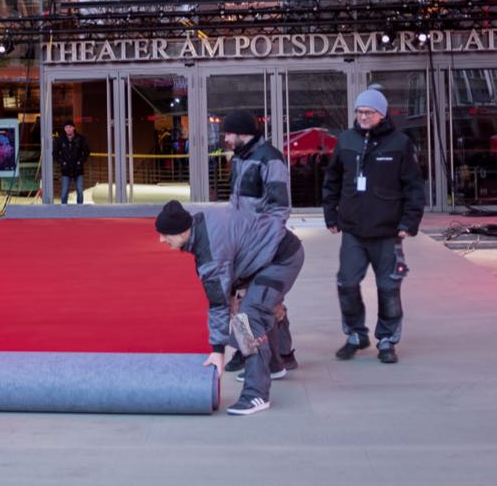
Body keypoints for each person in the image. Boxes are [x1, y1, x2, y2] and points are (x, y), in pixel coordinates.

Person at [155, 200, 304, 415]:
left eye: (165, 234)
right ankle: (273, 366)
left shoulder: (209, 252)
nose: (160, 239)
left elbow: (218, 303)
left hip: (280, 258)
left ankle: (256, 394)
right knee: (246, 309)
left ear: (182, 233)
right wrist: (233, 292)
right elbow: (233, 250)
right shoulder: (198, 222)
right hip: (262, 257)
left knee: (249, 317)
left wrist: (217, 350)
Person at [323, 88, 425, 364]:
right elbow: (332, 180)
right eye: (359, 112)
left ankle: (388, 340)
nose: (363, 116)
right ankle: (356, 333)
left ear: (382, 114)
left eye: (369, 112)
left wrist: (409, 222)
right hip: (353, 231)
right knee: (346, 283)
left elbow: (414, 187)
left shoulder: (399, 143)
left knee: (388, 288)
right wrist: (330, 215)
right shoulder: (345, 141)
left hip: (388, 231)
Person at [220, 110, 297, 375]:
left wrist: (266, 245)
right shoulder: (240, 159)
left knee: (262, 303)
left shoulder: (270, 159)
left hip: (263, 244)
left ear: (243, 133)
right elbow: (236, 202)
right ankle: (249, 350)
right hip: (243, 241)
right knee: (245, 302)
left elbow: (279, 208)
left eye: (228, 133)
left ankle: (281, 354)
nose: (226, 139)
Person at [53, 119, 90, 204]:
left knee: (80, 192)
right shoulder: (60, 140)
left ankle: (79, 210)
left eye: (70, 127)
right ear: (64, 129)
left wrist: (80, 161)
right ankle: (63, 211)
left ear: (73, 128)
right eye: (66, 127)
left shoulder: (80, 139)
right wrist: (62, 162)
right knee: (64, 193)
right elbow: (54, 153)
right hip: (66, 170)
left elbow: (87, 151)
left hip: (78, 169)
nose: (68, 129)